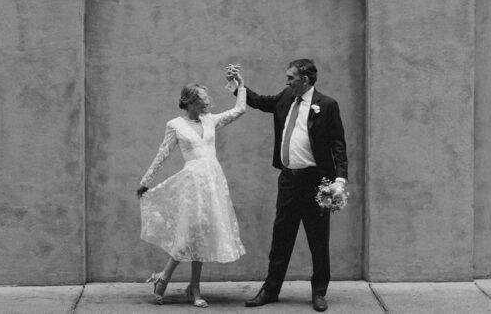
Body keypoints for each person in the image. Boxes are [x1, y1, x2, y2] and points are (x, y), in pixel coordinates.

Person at [229, 59, 348, 312]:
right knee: (281, 237)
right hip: (288, 181)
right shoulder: (285, 97)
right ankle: (270, 290)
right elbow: (260, 101)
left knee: (318, 239)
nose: (287, 81)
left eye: (290, 78)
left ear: (304, 80)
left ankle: (318, 292)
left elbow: (338, 145)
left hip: (316, 183)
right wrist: (239, 87)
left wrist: (339, 179)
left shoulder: (326, 106)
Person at [136, 79, 247, 307]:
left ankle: (193, 287)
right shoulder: (175, 125)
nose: (208, 103)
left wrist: (240, 86)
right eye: (203, 99)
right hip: (192, 184)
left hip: (212, 182)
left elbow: (239, 109)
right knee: (188, 234)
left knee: (202, 236)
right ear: (190, 101)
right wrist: (145, 181)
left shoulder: (211, 120)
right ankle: (164, 279)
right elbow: (162, 154)